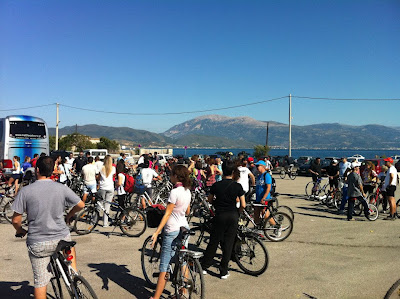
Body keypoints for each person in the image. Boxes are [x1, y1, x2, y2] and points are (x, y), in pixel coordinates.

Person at [11, 156, 84, 299]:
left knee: (40, 281)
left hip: (39, 242)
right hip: (61, 237)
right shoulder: (61, 188)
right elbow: (81, 205)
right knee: (69, 248)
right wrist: (69, 215)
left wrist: (20, 230)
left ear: (37, 170)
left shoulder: (26, 191)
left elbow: (15, 220)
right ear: (53, 171)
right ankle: (73, 274)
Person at [150, 165, 192, 299]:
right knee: (182, 260)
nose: (170, 176)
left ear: (176, 176)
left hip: (172, 229)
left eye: (171, 174)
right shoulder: (187, 191)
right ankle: (183, 293)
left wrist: (157, 232)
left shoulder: (174, 192)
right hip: (184, 226)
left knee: (165, 264)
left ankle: (156, 297)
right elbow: (187, 211)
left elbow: (167, 214)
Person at [201, 160, 246, 279]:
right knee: (228, 243)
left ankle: (205, 266)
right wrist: (238, 212)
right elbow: (243, 204)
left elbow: (210, 200)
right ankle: (223, 271)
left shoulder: (216, 185)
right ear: (233, 172)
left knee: (214, 241)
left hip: (220, 215)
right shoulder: (237, 186)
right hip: (232, 215)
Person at [253, 160, 276, 227]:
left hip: (265, 198)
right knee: (256, 213)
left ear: (263, 166)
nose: (256, 167)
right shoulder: (258, 176)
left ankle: (275, 226)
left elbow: (268, 188)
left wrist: (264, 198)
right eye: (256, 166)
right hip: (258, 198)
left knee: (265, 214)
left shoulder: (266, 175)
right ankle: (257, 227)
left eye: (258, 166)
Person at [98, 155, 116, 227]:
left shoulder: (101, 168)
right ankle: (105, 223)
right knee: (107, 206)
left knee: (99, 204)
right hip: (110, 187)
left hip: (102, 187)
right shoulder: (113, 168)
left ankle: (93, 220)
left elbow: (98, 177)